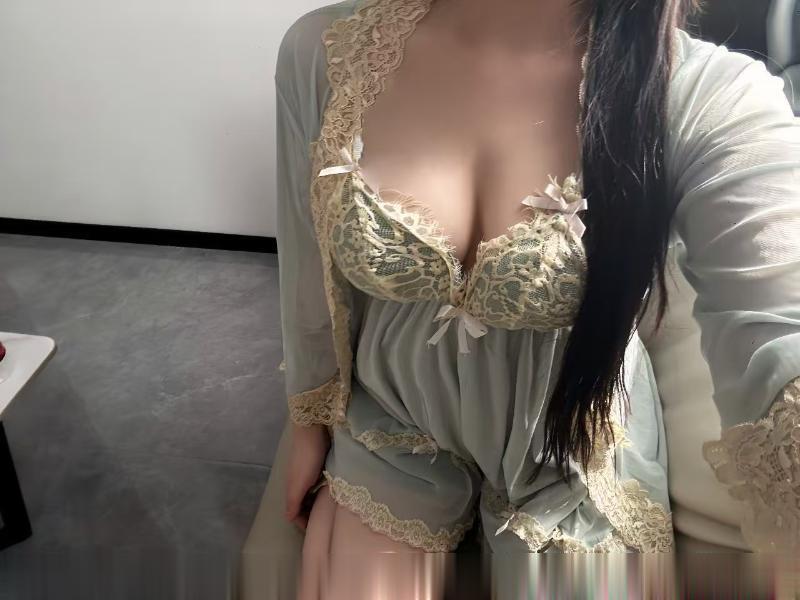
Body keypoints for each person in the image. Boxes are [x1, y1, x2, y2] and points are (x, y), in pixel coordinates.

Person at [274, 0, 800, 596]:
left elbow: (779, 324)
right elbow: (306, 257)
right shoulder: (324, 52)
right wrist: (308, 419)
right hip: (395, 417)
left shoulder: (707, 95)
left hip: (576, 443)